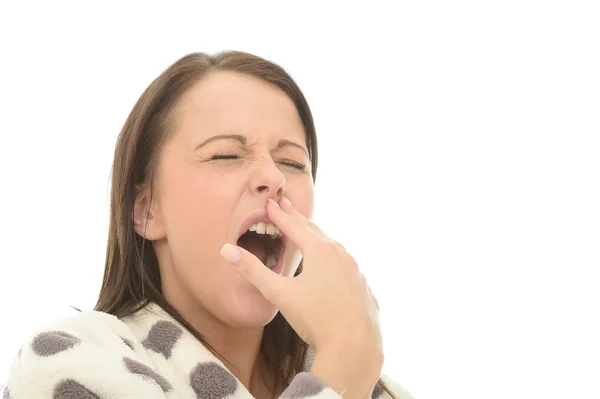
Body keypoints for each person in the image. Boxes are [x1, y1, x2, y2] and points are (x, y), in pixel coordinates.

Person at [2, 51, 414, 399]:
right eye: (225, 156)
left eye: (292, 162)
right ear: (147, 212)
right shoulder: (65, 363)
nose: (274, 177)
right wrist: (341, 368)